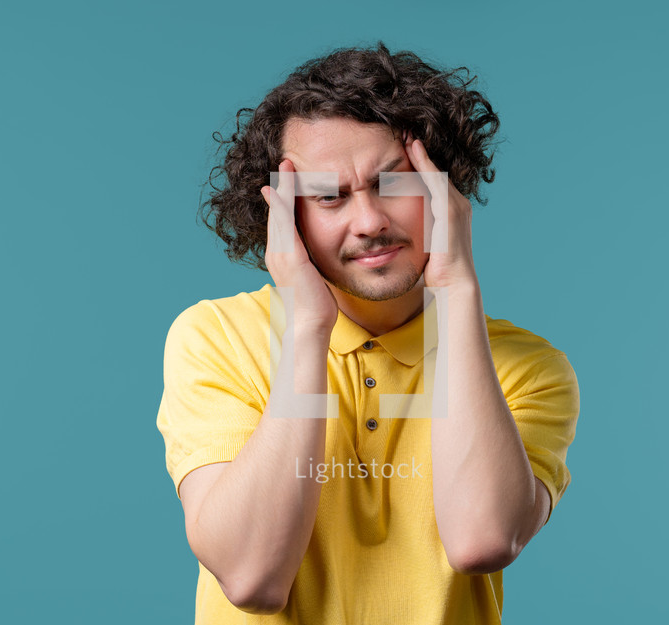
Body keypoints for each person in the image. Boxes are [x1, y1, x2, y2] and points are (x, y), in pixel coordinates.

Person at [156, 42, 579, 624]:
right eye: (329, 196)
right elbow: (252, 575)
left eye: (393, 183)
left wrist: (456, 291)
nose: (370, 221)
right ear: (286, 216)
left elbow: (482, 541)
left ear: (445, 189)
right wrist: (307, 326)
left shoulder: (526, 368)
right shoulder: (216, 338)